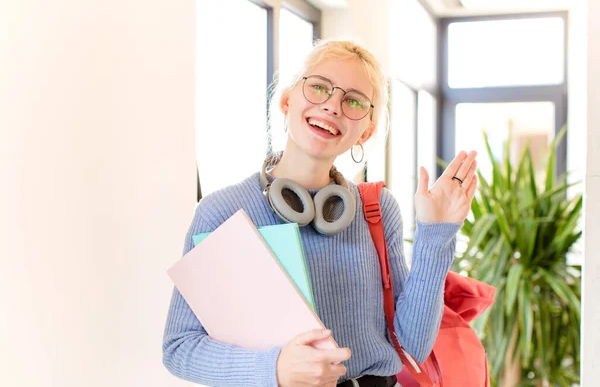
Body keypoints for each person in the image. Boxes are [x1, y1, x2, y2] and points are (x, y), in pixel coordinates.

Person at [162, 39, 478, 387]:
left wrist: (437, 232)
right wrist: (275, 369)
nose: (332, 106)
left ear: (366, 132)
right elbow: (180, 348)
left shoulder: (377, 210)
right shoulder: (222, 212)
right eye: (319, 87)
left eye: (353, 101)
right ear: (287, 100)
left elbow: (412, 347)